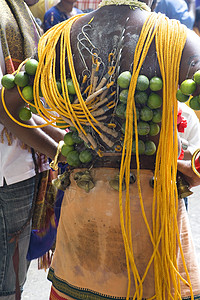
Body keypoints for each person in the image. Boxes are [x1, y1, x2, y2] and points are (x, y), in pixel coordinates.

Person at [1, 0, 200, 299]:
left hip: (83, 217)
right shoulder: (177, 38)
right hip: (153, 215)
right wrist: (195, 166)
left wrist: (61, 151)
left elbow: (9, 105)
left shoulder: (61, 39)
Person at [0, 1, 67, 299]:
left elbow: (26, 107)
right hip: (8, 173)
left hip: (22, 169)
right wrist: (60, 151)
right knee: (8, 284)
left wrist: (65, 138)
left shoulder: (19, 12)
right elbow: (7, 109)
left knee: (14, 278)